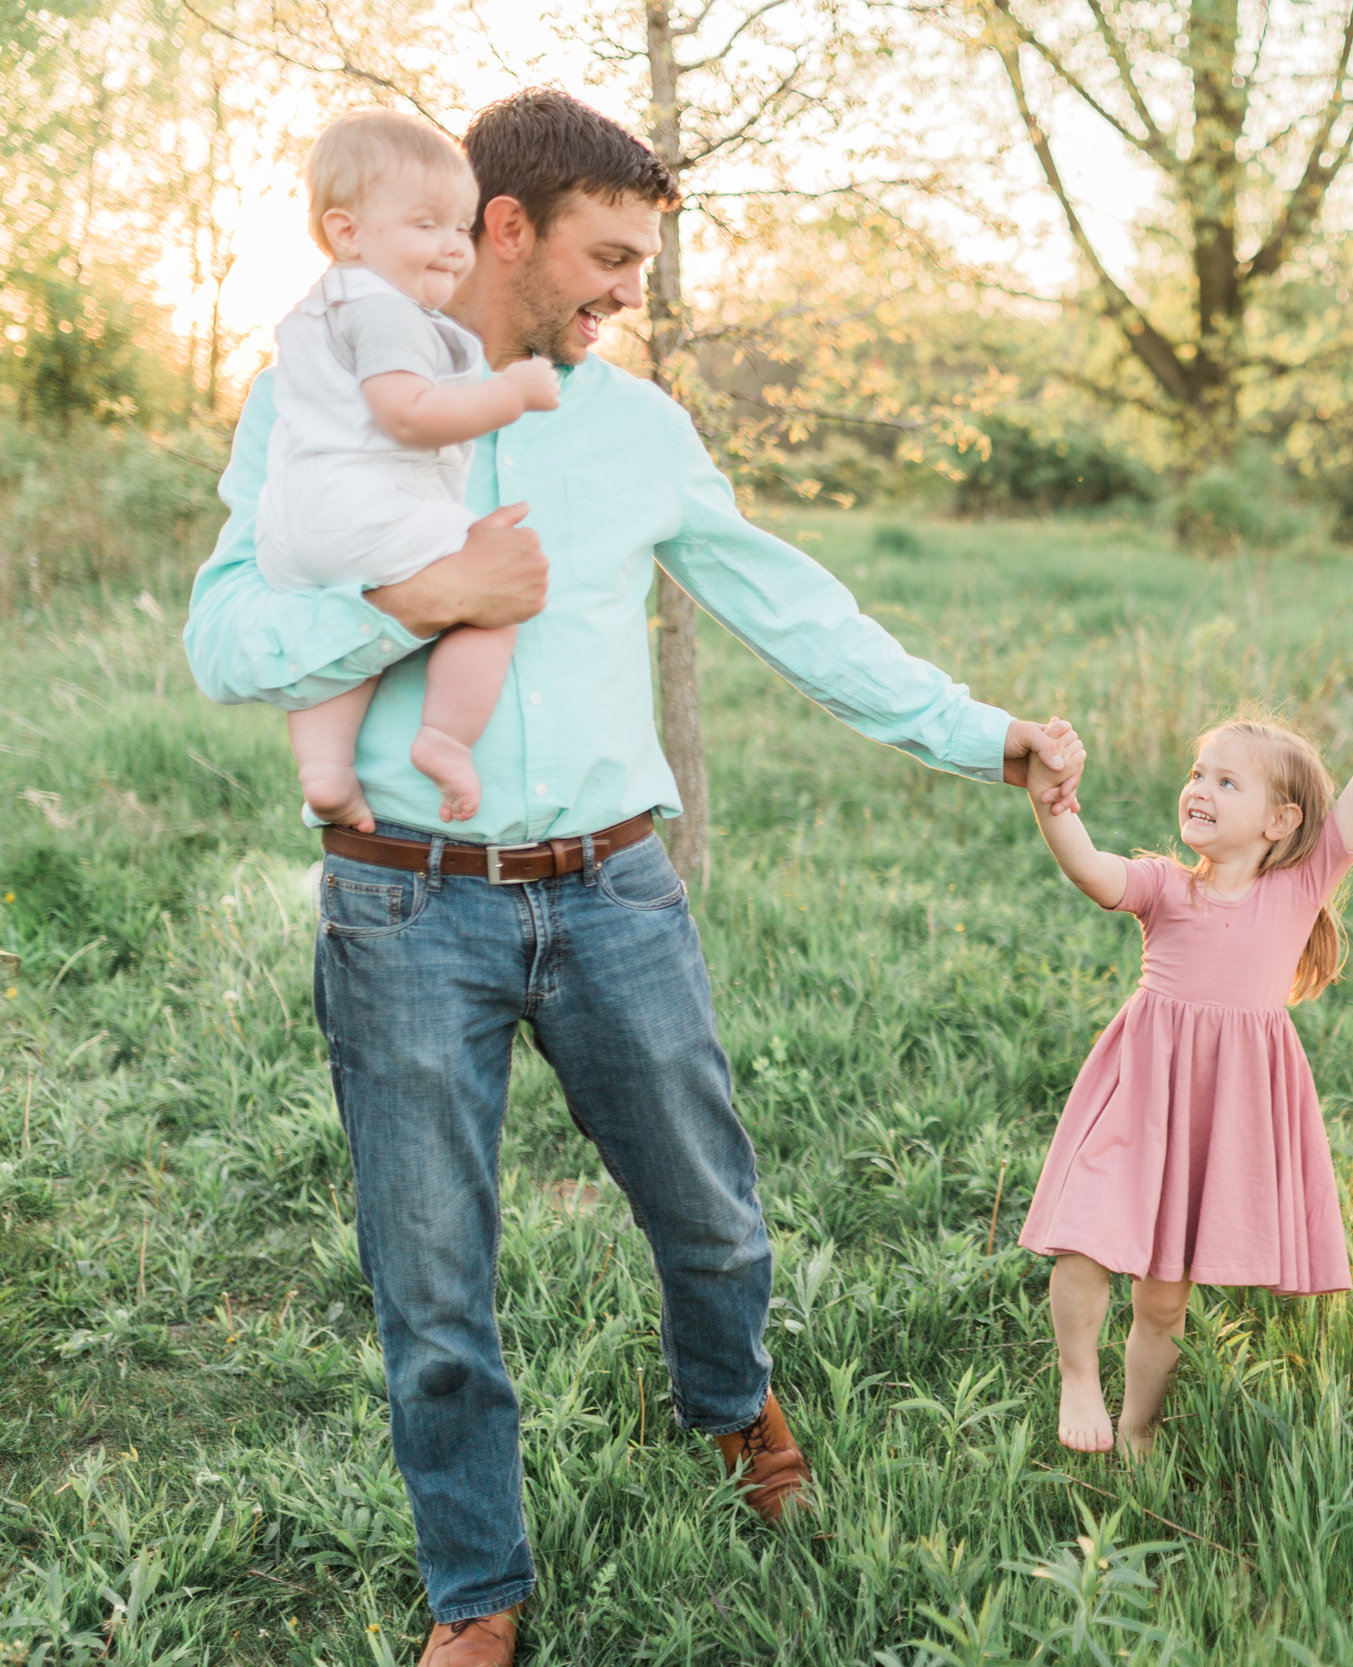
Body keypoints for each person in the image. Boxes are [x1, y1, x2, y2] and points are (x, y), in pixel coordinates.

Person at [182, 89, 1084, 1667]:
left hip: (612, 891)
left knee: (715, 1215)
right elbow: (226, 636)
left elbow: (794, 607)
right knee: (434, 1282)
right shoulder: (322, 391)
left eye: (646, 265)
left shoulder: (641, 426)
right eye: (609, 256)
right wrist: (423, 603)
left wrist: (977, 732)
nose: (629, 293)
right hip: (401, 900)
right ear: (507, 229)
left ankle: (731, 1402)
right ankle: (479, 1589)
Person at [1014, 683, 1353, 1456]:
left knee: (1165, 1296)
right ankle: (1078, 1374)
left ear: (1281, 821)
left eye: (1225, 780)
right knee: (1083, 1239)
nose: (1199, 788)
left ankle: (1138, 1424)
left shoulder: (1301, 887)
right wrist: (1052, 806)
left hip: (1222, 1110)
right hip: (1140, 1090)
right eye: (1198, 772)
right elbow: (1093, 871)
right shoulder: (1166, 885)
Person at [260, 110, 561, 830]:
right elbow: (408, 413)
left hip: (297, 532)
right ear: (348, 233)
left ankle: (327, 774)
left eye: (461, 228)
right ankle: (445, 739)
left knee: (348, 630)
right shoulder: (385, 310)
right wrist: (510, 393)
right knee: (498, 586)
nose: (455, 247)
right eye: (427, 225)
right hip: (370, 509)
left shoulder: (318, 310)